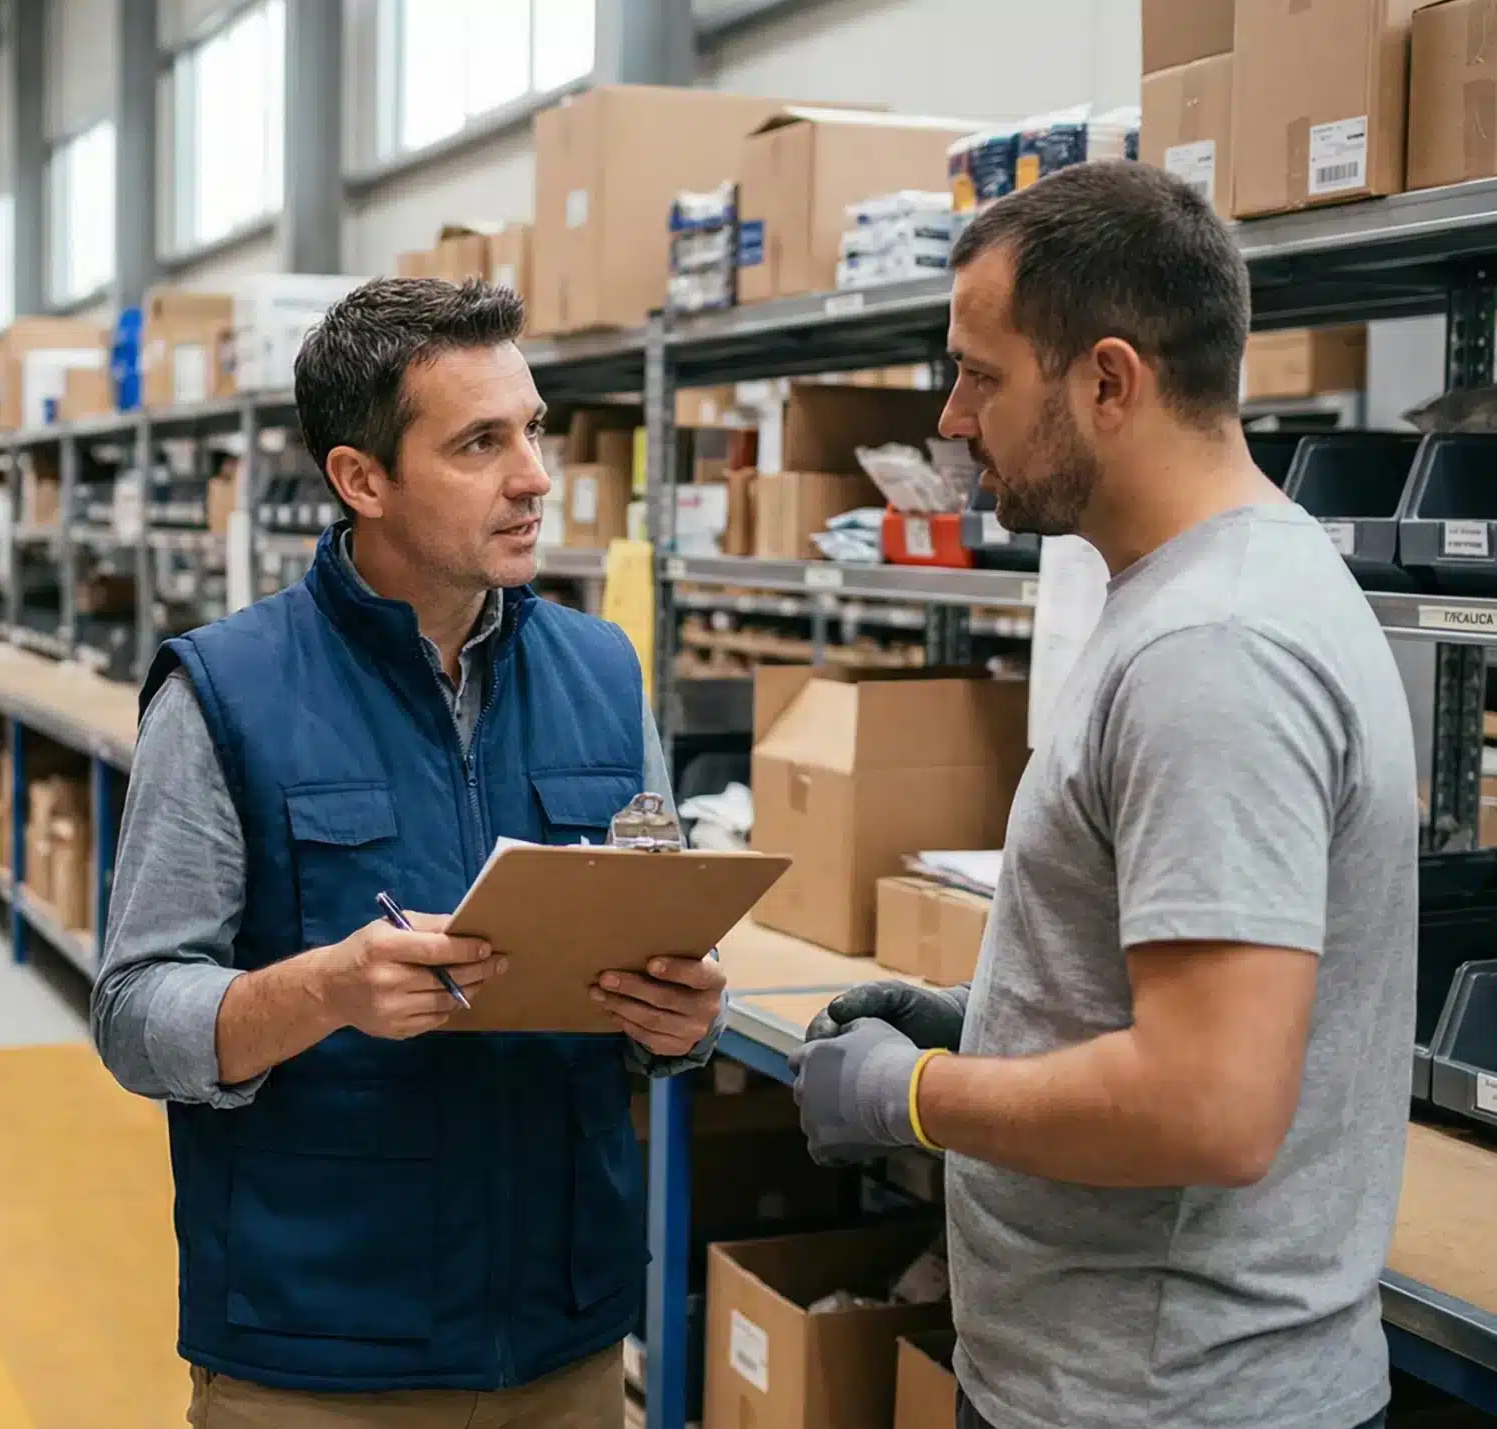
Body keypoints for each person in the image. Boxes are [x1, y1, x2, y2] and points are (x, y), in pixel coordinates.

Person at [791, 162, 1416, 1429]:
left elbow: (1210, 1103)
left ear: (1108, 381)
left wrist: (905, 1096)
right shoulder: (1199, 594)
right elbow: (1185, 990)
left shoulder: (1215, 652)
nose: (953, 420)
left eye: (978, 372)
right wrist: (995, 1017)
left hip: (1165, 1397)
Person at [90, 277, 726, 1429]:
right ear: (360, 478)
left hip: (564, 1344)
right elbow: (135, 1013)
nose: (533, 475)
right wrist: (325, 987)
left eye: (531, 429)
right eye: (480, 443)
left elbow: (655, 957)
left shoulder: (603, 673)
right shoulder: (225, 692)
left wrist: (679, 1022)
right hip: (319, 1356)